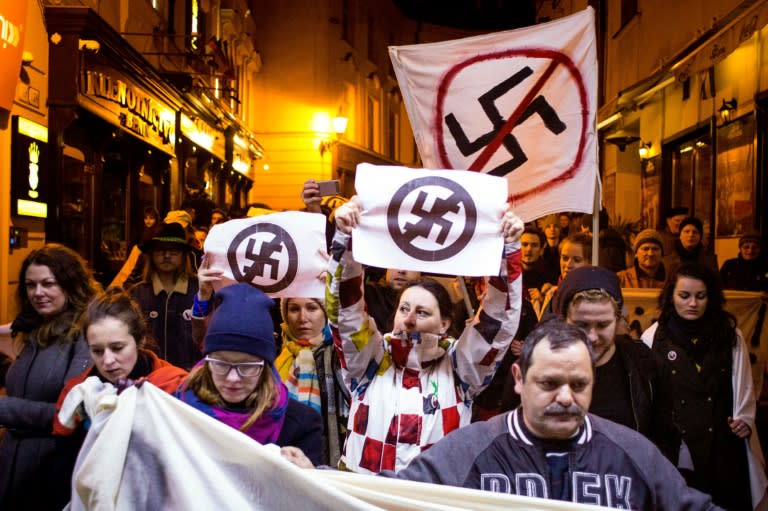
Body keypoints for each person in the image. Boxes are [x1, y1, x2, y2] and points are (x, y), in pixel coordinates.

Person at [281, 319, 721, 510]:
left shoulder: (631, 452)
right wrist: (315, 476)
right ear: (518, 378)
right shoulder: (471, 448)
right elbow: (386, 497)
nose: (566, 397)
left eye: (580, 385)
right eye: (549, 384)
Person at [327, 197, 523, 474]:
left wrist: (507, 250)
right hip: (365, 498)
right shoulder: (369, 362)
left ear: (444, 324)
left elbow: (498, 321)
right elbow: (344, 313)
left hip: (434, 498)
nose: (408, 319)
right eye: (403, 308)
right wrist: (346, 241)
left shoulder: (460, 371)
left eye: (421, 312)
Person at [641, 263, 768, 510]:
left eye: (701, 296)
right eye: (684, 296)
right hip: (679, 449)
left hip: (724, 444)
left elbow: (743, 384)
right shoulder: (653, 337)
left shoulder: (730, 335)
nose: (693, 304)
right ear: (671, 297)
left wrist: (745, 419)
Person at [177, 283, 324, 466]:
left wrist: (308, 477)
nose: (232, 378)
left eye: (247, 366)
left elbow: (314, 492)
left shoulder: (301, 425)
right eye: (221, 363)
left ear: (266, 367)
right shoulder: (175, 411)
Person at [0, 244, 100, 510]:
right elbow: (26, 384)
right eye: (31, 285)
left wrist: (4, 409)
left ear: (69, 284)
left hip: (52, 472)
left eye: (48, 284)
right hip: (14, 470)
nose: (38, 293)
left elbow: (71, 413)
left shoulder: (87, 334)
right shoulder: (35, 328)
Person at [553, 265, 679, 461]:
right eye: (582, 325)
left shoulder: (646, 365)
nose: (592, 337)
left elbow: (665, 439)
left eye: (603, 325)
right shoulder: (538, 366)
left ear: (619, 320)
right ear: (563, 321)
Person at [53, 288, 188, 436]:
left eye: (117, 348)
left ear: (140, 340)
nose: (108, 360)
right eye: (97, 351)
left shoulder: (177, 387)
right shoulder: (76, 394)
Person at [274, 297, 349, 466]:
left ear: (327, 312)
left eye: (312, 308)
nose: (302, 318)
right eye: (294, 309)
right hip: (281, 461)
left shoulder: (344, 360)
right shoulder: (276, 359)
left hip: (330, 467)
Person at [129, 222, 202, 370]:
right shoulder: (137, 293)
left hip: (190, 377)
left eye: (173, 251)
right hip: (150, 377)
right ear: (152, 255)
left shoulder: (200, 290)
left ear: (183, 255)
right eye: (160, 251)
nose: (167, 256)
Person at [533, 231, 592, 318]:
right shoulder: (553, 294)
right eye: (564, 258)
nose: (568, 265)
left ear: (590, 263)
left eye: (576, 260)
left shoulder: (596, 295)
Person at [363, 268, 421, 333]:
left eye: (409, 266)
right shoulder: (367, 293)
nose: (401, 271)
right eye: (395, 264)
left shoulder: (429, 300)